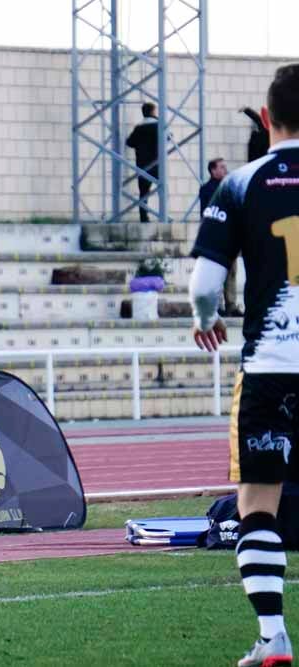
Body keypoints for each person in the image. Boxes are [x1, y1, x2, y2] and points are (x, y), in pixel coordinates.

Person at [189, 63, 299, 667]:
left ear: (265, 118)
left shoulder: (243, 184)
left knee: (258, 503)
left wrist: (207, 317)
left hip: (272, 367)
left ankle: (273, 636)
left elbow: (205, 282)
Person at [199, 157, 242, 318]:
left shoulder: (230, 187)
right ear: (213, 171)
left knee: (231, 273)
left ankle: (231, 305)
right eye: (222, 167)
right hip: (216, 237)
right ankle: (216, 306)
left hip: (230, 236)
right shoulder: (207, 189)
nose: (225, 170)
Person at [126, 102, 160, 223]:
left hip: (142, 165)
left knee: (143, 193)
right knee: (161, 189)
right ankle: (163, 215)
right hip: (157, 163)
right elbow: (168, 137)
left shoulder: (138, 128)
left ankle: (143, 217)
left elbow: (129, 142)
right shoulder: (158, 125)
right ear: (152, 112)